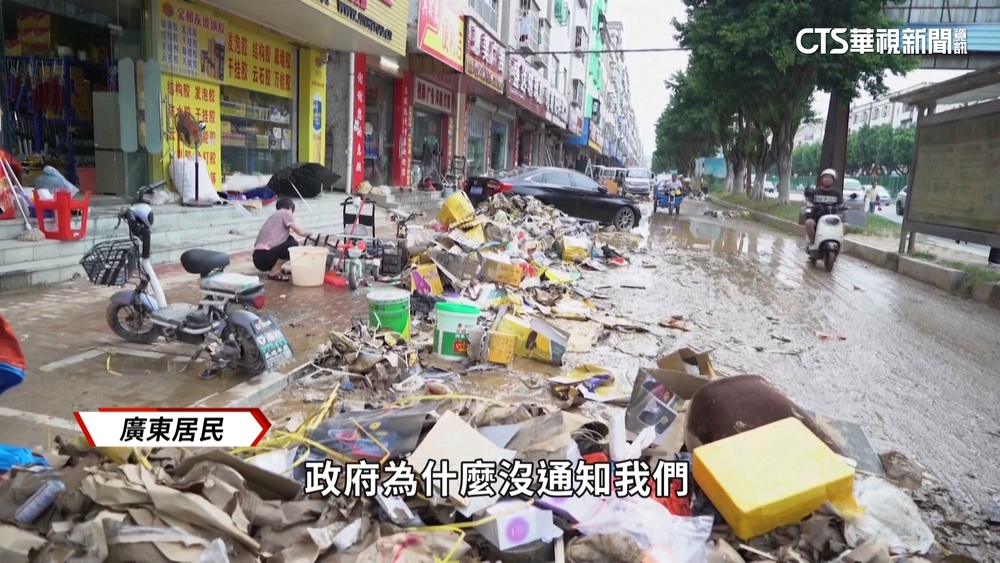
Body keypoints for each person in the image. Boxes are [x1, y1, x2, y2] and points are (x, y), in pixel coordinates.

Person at [253, 198, 312, 281]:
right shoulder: (285, 212)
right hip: (264, 257)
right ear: (290, 208)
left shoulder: (275, 216)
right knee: (292, 244)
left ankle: (276, 267)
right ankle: (274, 271)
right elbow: (300, 232)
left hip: (259, 257)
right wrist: (309, 233)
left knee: (289, 239)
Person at [803, 169, 843, 247]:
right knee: (808, 223)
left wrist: (843, 207)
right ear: (821, 179)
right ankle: (812, 242)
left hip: (832, 218)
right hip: (817, 218)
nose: (827, 179)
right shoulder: (815, 192)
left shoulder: (836, 193)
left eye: (830, 177)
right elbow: (809, 202)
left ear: (833, 180)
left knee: (845, 225)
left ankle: (840, 243)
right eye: (825, 177)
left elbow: (841, 204)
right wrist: (811, 205)